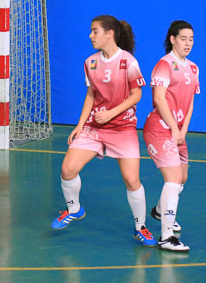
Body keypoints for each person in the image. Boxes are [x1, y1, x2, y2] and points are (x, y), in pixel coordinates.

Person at [50, 15, 156, 246]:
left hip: (123, 128)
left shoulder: (128, 62)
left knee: (132, 180)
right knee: (68, 169)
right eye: (91, 31)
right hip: (94, 127)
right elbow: (91, 95)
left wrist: (111, 113)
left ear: (110, 34)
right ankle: (74, 209)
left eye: (95, 31)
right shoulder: (90, 62)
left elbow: (136, 95)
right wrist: (80, 125)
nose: (91, 35)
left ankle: (141, 227)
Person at [144, 20, 199, 252]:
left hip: (177, 130)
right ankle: (166, 237)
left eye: (191, 39)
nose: (188, 43)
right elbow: (159, 98)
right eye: (183, 39)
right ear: (173, 39)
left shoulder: (193, 68)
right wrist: (174, 128)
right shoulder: (164, 64)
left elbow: (190, 102)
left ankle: (160, 211)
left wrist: (183, 130)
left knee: (182, 177)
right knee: (174, 179)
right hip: (159, 128)